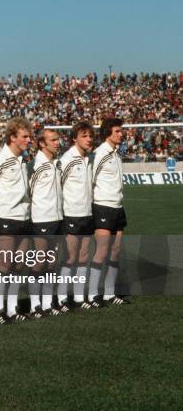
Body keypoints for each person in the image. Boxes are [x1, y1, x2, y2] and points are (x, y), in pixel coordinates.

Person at [0, 118, 32, 324]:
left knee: (19, 264)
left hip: (23, 217)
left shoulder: (23, 160)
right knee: (5, 263)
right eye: (24, 136)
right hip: (5, 216)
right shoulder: (0, 160)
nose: (28, 140)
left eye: (29, 136)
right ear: (12, 137)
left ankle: (12, 307)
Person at [90, 118, 130, 305]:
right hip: (102, 206)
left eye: (120, 131)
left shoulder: (116, 154)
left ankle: (109, 293)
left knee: (115, 250)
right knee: (102, 250)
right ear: (108, 133)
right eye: (117, 131)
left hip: (117, 207)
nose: (121, 134)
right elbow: (88, 180)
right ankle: (91, 294)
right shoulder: (99, 154)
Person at [56, 121, 95, 311]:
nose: (89, 139)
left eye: (90, 136)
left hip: (87, 214)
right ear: (74, 138)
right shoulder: (66, 159)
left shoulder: (89, 158)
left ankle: (79, 297)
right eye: (84, 136)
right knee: (70, 257)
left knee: (83, 256)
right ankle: (62, 297)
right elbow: (58, 186)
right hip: (71, 214)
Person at [28, 128, 63, 317]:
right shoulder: (35, 165)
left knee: (51, 262)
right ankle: (35, 305)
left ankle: (48, 303)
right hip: (42, 218)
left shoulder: (57, 163)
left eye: (58, 139)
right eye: (53, 140)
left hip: (57, 218)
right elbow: (28, 192)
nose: (57, 142)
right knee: (40, 261)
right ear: (42, 143)